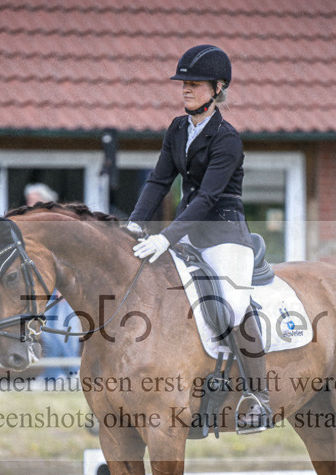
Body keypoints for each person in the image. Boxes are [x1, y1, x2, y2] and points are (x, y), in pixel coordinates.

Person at [126, 45, 270, 432]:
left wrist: (167, 237)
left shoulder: (227, 138)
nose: (186, 88)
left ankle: (259, 396)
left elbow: (207, 197)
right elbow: (159, 180)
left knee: (233, 306)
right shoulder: (177, 129)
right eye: (183, 82)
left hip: (225, 234)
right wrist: (136, 224)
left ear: (217, 87)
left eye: (194, 83)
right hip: (190, 234)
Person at [23, 183, 80, 384]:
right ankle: (55, 375)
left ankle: (68, 374)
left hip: (61, 288)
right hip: (41, 288)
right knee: (47, 333)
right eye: (28, 201)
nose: (29, 204)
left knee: (66, 332)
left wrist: (65, 286)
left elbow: (70, 257)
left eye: (33, 200)